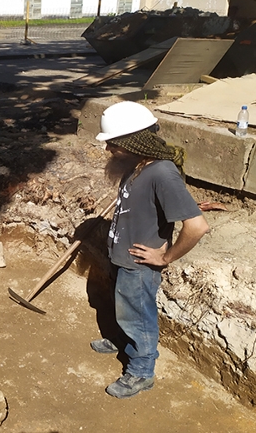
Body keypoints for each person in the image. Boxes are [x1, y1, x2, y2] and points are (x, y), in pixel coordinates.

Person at [91, 101, 209, 399]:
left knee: (138, 316)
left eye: (114, 145)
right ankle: (123, 340)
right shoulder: (138, 165)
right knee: (125, 309)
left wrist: (165, 256)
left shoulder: (162, 173)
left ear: (133, 143)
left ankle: (141, 371)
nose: (109, 151)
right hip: (125, 259)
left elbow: (196, 227)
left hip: (141, 266)